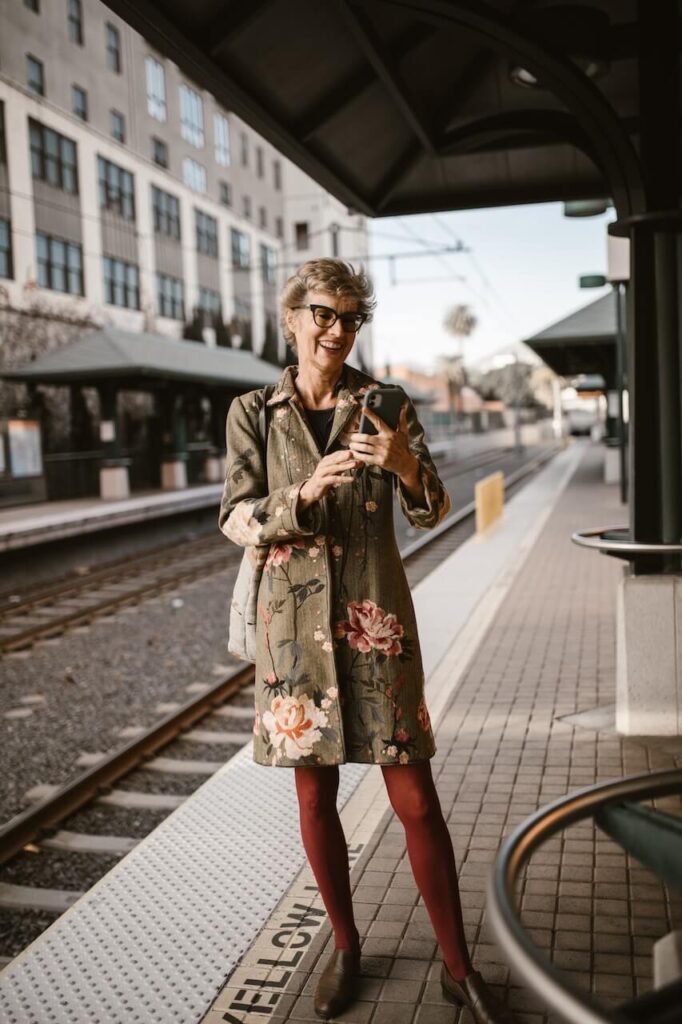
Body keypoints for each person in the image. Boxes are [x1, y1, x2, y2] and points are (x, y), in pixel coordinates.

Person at [219, 259, 513, 1023]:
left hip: (375, 627)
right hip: (294, 642)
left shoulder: (384, 404)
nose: (337, 331)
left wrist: (405, 462)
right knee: (314, 796)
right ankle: (346, 946)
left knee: (415, 799)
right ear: (291, 318)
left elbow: (433, 505)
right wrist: (304, 493)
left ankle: (457, 967)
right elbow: (235, 516)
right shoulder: (254, 411)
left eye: (351, 319)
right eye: (323, 314)